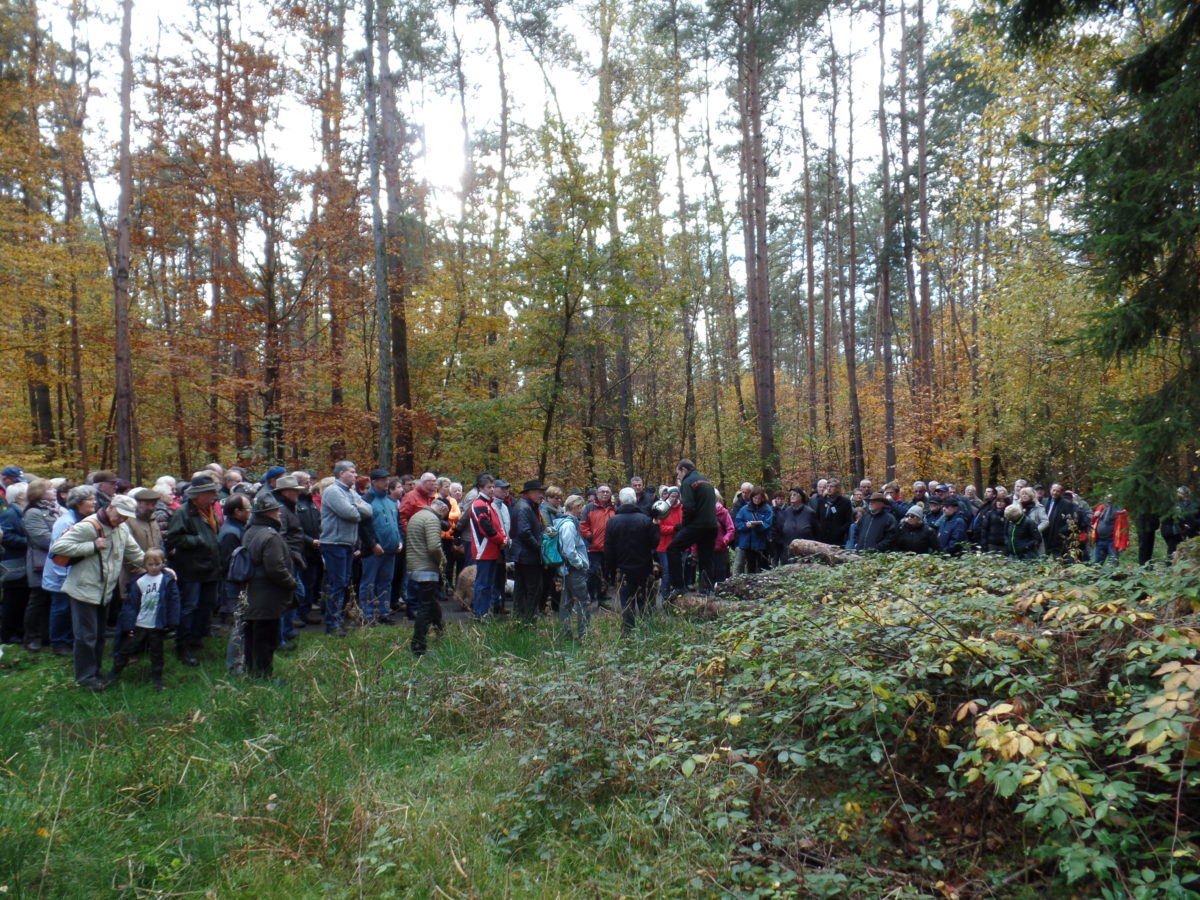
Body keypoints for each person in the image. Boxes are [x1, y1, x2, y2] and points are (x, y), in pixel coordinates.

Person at [49, 493, 146, 691]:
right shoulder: (89, 525)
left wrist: (159, 568)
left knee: (99, 635)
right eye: (119, 514)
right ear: (111, 507)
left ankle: (96, 673)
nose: (122, 519)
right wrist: (92, 546)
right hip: (83, 589)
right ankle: (85, 678)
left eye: (126, 516)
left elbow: (134, 553)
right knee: (86, 636)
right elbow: (58, 547)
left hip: (105, 590)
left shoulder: (122, 528)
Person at [166, 474, 223, 666]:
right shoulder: (183, 512)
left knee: (207, 605)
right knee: (189, 607)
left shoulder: (209, 510)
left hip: (210, 567)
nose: (214, 496)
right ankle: (183, 645)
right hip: (191, 568)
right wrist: (198, 540)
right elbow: (173, 539)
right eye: (210, 493)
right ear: (198, 495)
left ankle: (196, 638)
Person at [240, 492, 297, 681]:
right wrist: (291, 583)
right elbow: (276, 568)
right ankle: (264, 677)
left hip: (252, 594)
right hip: (267, 596)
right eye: (275, 511)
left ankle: (251, 672)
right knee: (266, 639)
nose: (279, 514)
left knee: (252, 637)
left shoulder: (250, 531)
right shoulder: (270, 536)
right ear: (268, 514)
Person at [110, 548, 181, 691]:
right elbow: (131, 605)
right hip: (139, 623)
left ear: (163, 563)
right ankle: (113, 674)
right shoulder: (139, 582)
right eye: (150, 564)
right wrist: (128, 624)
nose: (153, 567)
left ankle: (157, 679)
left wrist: (173, 622)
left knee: (157, 653)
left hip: (157, 624)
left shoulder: (167, 581)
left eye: (157, 564)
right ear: (145, 564)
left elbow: (174, 602)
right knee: (126, 649)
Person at [320, 461, 373, 636]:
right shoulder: (333, 491)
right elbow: (350, 514)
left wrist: (355, 508)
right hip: (334, 543)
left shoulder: (350, 492)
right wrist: (357, 509)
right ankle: (332, 623)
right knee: (337, 583)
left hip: (347, 543)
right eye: (352, 472)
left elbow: (369, 511)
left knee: (344, 582)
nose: (355, 475)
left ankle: (338, 619)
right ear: (341, 473)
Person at [603, 487, 660, 631]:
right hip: (644, 568)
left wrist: (610, 570)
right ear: (635, 500)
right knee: (643, 601)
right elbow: (655, 543)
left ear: (621, 501)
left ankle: (628, 632)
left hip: (622, 569)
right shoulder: (646, 520)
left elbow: (608, 549)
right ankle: (646, 631)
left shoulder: (612, 522)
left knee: (626, 603)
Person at [21, 479, 62, 653]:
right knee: (38, 599)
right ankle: (32, 638)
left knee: (51, 599)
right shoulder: (33, 512)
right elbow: (41, 538)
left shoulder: (56, 510)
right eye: (49, 489)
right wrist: (67, 543)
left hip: (57, 560)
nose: (54, 491)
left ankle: (47, 635)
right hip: (40, 562)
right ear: (39, 492)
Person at [666, 460, 717, 595]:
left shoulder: (688, 482)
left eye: (678, 473)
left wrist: (684, 526)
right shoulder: (706, 481)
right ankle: (708, 589)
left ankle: (678, 586)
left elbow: (689, 507)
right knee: (706, 558)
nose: (678, 476)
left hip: (697, 525)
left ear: (684, 470)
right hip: (712, 526)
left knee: (673, 549)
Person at [359, 469, 401, 625]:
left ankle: (384, 612)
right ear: (374, 482)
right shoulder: (366, 501)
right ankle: (368, 615)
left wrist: (400, 541)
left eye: (387, 479)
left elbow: (396, 524)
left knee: (386, 582)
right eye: (383, 480)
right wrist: (373, 544)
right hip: (373, 551)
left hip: (390, 549)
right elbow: (363, 527)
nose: (386, 483)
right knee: (369, 582)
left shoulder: (391, 501)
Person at [407, 499, 447, 655]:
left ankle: (440, 630)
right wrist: (443, 561)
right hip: (426, 568)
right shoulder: (432, 519)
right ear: (442, 509)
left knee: (431, 600)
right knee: (425, 607)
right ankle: (418, 644)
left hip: (415, 565)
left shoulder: (417, 515)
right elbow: (434, 546)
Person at [466, 475, 505, 619]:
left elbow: (497, 525)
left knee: (488, 583)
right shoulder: (479, 504)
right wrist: (501, 540)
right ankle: (480, 613)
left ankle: (484, 612)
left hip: (492, 549)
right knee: (483, 584)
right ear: (480, 488)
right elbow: (486, 528)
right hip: (484, 549)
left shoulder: (489, 504)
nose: (492, 490)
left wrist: (503, 538)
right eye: (489, 487)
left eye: (493, 487)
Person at [510, 480, 546, 623]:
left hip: (523, 554)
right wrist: (539, 548)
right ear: (529, 493)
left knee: (522, 588)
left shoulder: (527, 506)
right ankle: (528, 620)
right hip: (527, 555)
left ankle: (521, 619)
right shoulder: (524, 508)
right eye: (539, 492)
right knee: (532, 589)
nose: (541, 495)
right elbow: (524, 532)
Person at [556, 495, 591, 639]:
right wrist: (580, 564)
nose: (582, 510)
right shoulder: (569, 525)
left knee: (566, 602)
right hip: (572, 569)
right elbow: (569, 550)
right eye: (580, 507)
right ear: (574, 507)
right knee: (584, 601)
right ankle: (584, 634)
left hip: (565, 568)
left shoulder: (561, 522)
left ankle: (565, 633)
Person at [1, 483, 29, 648]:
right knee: (12, 600)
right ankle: (8, 634)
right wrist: (29, 543)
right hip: (13, 563)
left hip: (23, 561)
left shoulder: (23, 512)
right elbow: (6, 536)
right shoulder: (11, 514)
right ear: (19, 496)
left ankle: (18, 631)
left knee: (22, 598)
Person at [580, 484, 616, 609]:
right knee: (593, 573)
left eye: (607, 492)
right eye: (602, 492)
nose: (605, 494)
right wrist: (590, 536)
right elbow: (583, 525)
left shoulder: (614, 508)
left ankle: (602, 598)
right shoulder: (589, 508)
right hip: (594, 547)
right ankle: (588, 598)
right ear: (597, 494)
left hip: (609, 548)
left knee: (606, 574)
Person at [734, 487, 774, 573]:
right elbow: (738, 523)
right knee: (750, 566)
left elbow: (768, 524)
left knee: (763, 566)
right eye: (755, 498)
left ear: (763, 498)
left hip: (762, 543)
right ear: (752, 497)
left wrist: (758, 526)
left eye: (759, 498)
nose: (757, 500)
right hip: (748, 543)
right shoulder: (745, 509)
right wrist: (746, 525)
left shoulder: (767, 509)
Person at [655, 487, 682, 599]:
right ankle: (665, 596)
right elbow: (660, 528)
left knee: (679, 571)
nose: (674, 499)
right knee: (667, 571)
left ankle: (678, 596)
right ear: (668, 496)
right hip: (665, 546)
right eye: (672, 496)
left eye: (676, 497)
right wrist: (674, 528)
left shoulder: (682, 508)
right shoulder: (662, 509)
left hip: (680, 544)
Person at [1090, 495, 1129, 565]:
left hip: (1112, 542)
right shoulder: (1101, 508)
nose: (1109, 501)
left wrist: (1123, 545)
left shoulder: (1121, 511)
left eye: (1111, 499)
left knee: (1113, 564)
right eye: (1108, 499)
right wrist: (1095, 516)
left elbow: (1124, 530)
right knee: (1096, 565)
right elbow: (1093, 522)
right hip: (1099, 541)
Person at [1161, 487, 1199, 558]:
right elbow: (1166, 518)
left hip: (1192, 531)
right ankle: (1170, 566)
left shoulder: (1196, 505)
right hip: (1174, 531)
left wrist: (1193, 524)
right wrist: (1182, 525)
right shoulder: (1172, 505)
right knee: (1173, 551)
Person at [816, 479, 853, 547]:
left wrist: (839, 530)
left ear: (837, 489)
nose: (829, 488)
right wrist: (820, 528)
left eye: (832, 486)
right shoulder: (822, 500)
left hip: (837, 539)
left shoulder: (845, 502)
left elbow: (849, 521)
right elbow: (817, 518)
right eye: (827, 486)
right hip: (822, 537)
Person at [712, 490, 736, 584]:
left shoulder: (723, 512)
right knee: (707, 575)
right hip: (706, 549)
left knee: (720, 575)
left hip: (720, 549)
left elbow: (731, 529)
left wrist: (724, 540)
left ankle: (719, 596)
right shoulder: (701, 511)